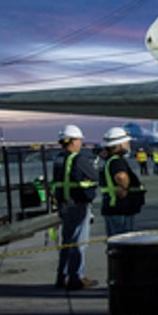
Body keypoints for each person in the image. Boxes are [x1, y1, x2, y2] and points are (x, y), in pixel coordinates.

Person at [51, 125, 98, 291]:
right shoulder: (78, 159)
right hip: (78, 204)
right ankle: (76, 278)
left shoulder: (58, 158)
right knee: (79, 242)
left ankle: (61, 277)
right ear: (72, 141)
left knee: (67, 241)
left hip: (63, 203)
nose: (80, 143)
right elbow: (95, 176)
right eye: (79, 140)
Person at [99, 126, 145, 236]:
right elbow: (121, 176)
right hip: (120, 208)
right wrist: (125, 187)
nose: (128, 145)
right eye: (126, 142)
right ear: (119, 145)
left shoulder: (107, 161)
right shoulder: (116, 161)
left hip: (111, 207)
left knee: (114, 242)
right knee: (123, 241)